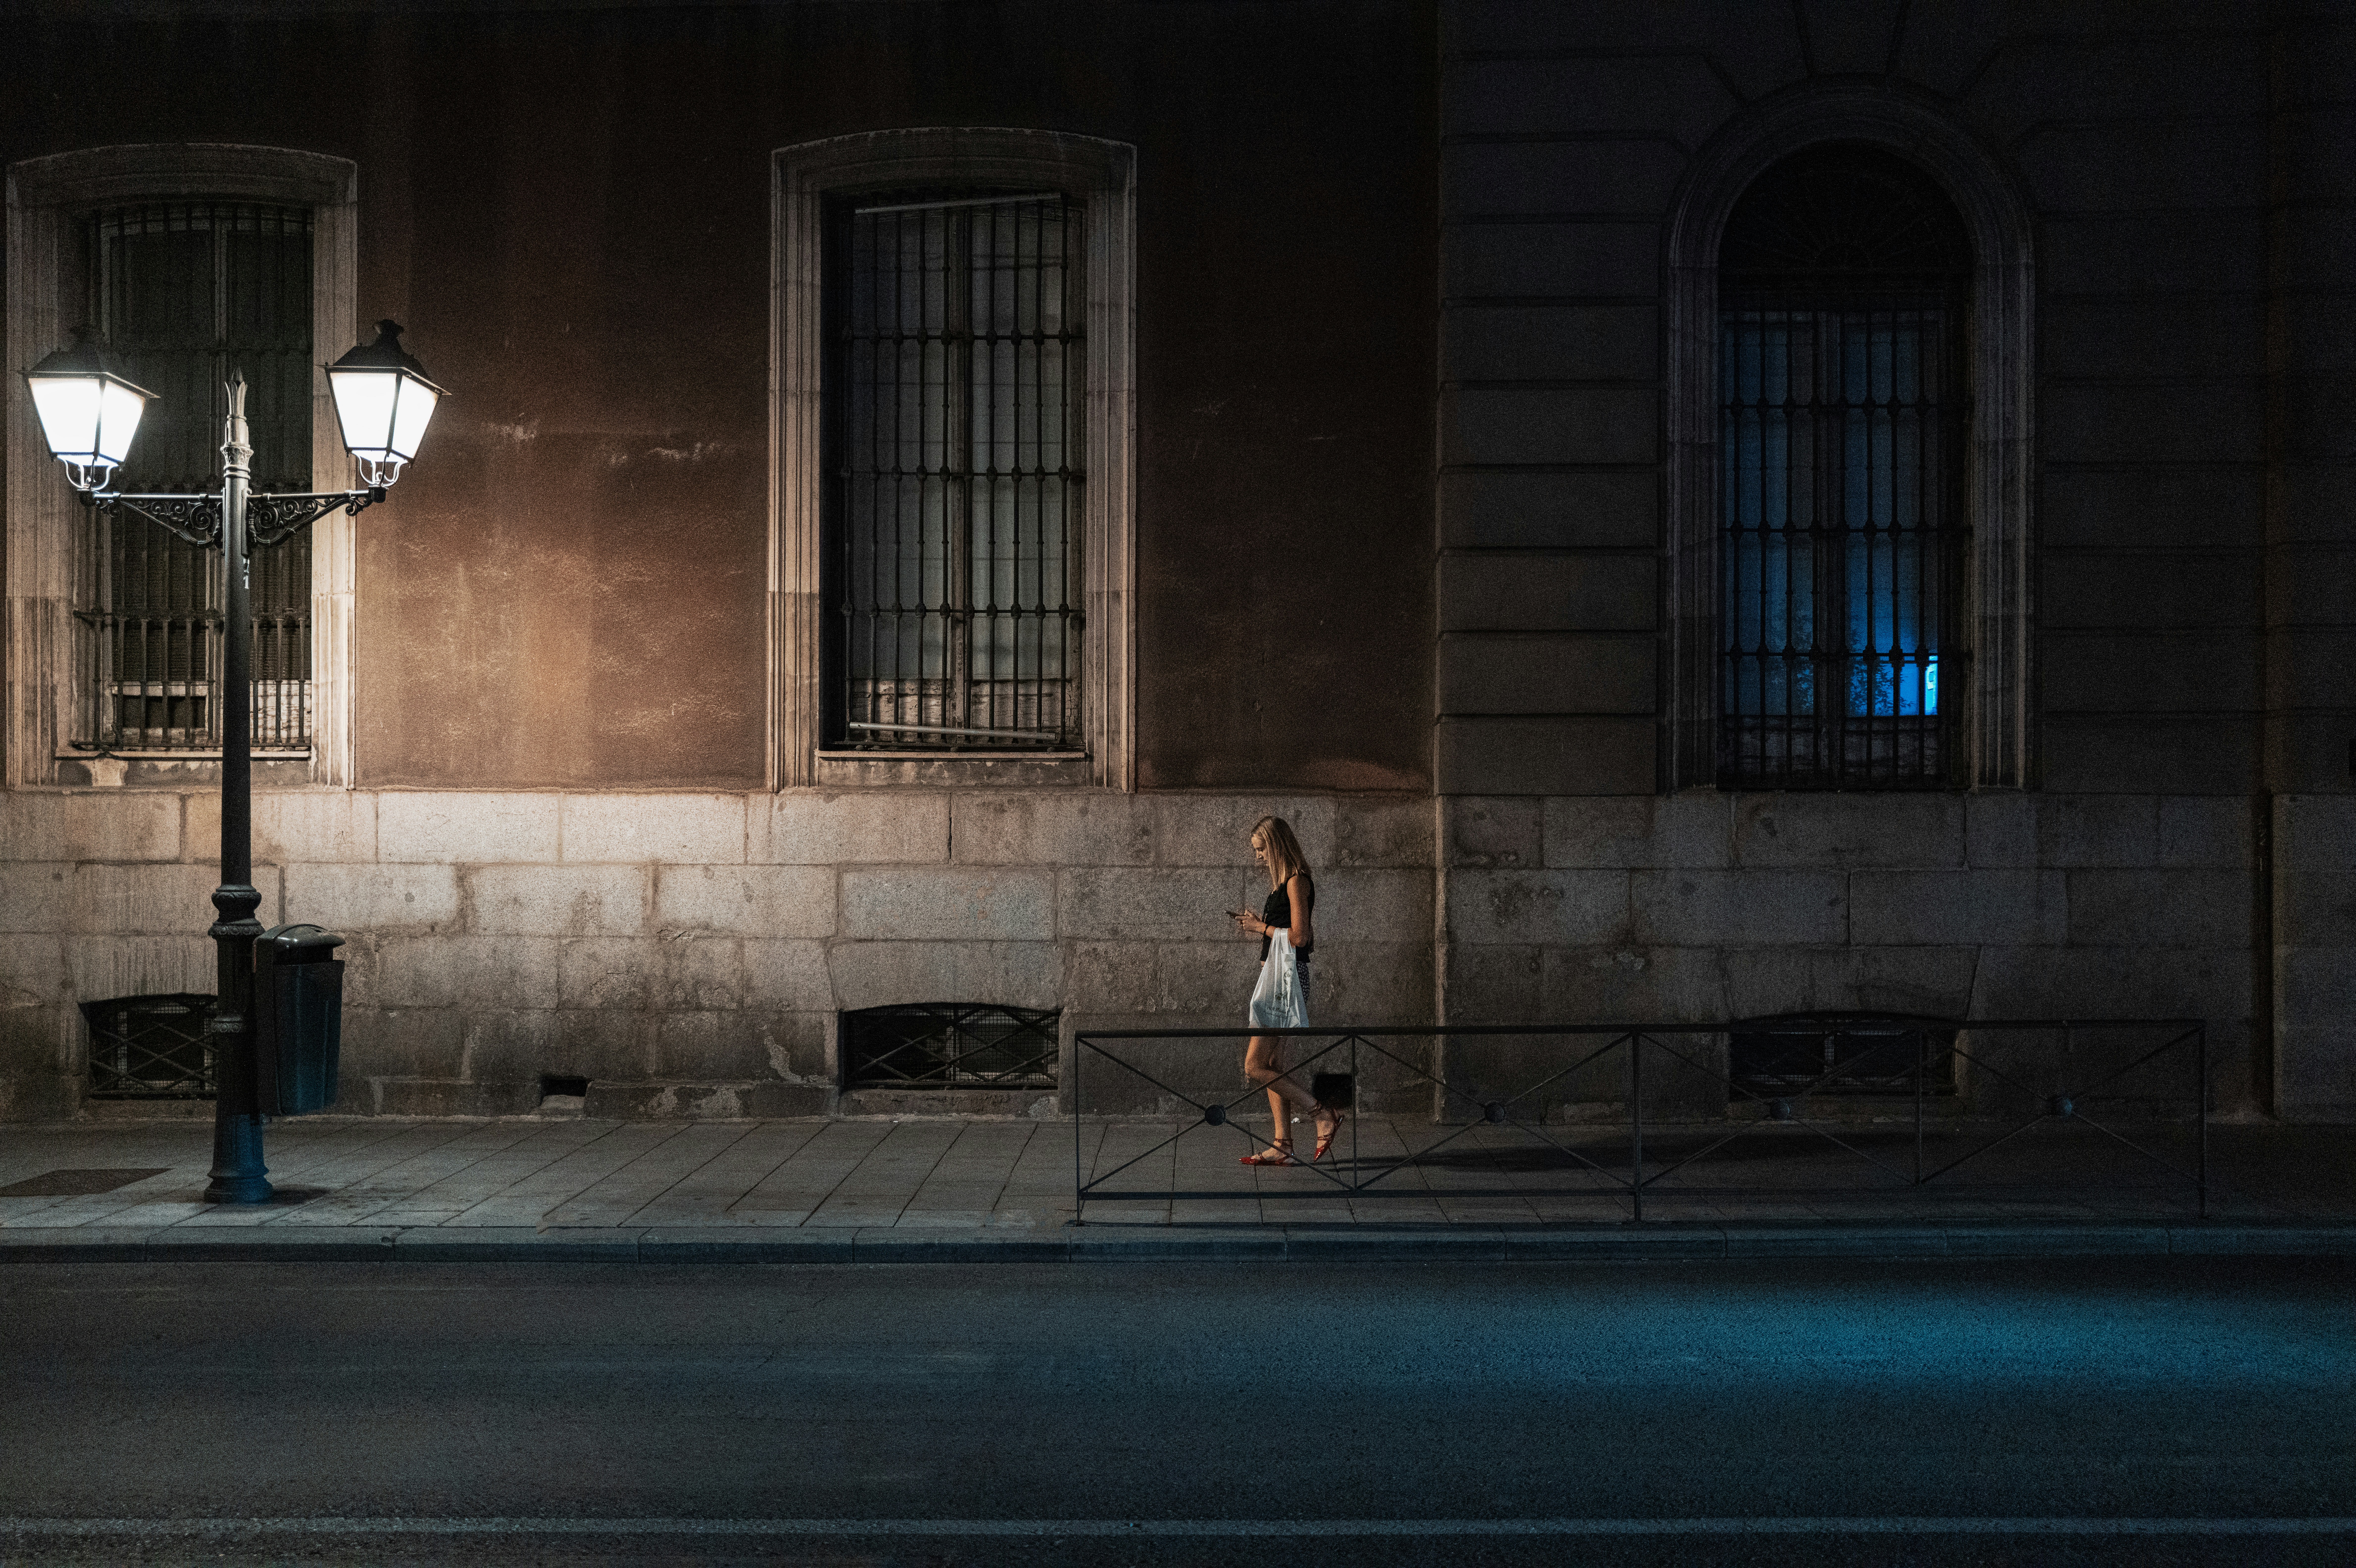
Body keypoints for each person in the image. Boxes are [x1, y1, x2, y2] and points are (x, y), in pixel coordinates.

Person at [1228, 815, 1344, 1165]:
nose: (1258, 857)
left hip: (1286, 980)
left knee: (1254, 1066)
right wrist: (1260, 924)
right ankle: (1283, 1145)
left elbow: (1299, 937)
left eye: (1261, 850)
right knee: (1275, 1063)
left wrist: (1258, 927)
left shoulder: (1297, 882)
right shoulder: (1283, 885)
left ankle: (1322, 1113)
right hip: (1277, 978)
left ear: (1276, 846)